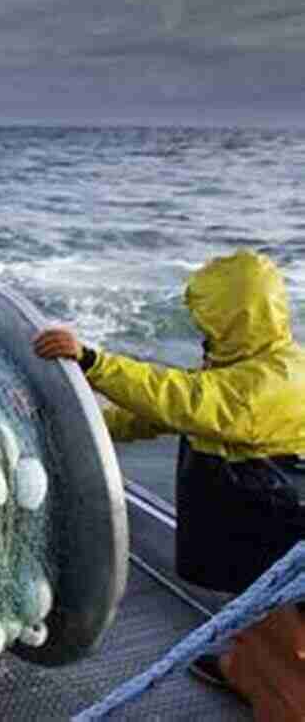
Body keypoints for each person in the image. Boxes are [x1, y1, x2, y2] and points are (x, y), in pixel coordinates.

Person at [33, 249, 305, 688]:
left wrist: (94, 363)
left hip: (274, 527)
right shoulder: (241, 365)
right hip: (248, 525)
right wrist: (71, 420)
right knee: (251, 612)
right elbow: (157, 414)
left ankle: (274, 689)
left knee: (277, 636)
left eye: (211, 326)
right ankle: (242, 669)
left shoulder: (274, 380)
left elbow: (182, 399)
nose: (204, 336)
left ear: (238, 319)